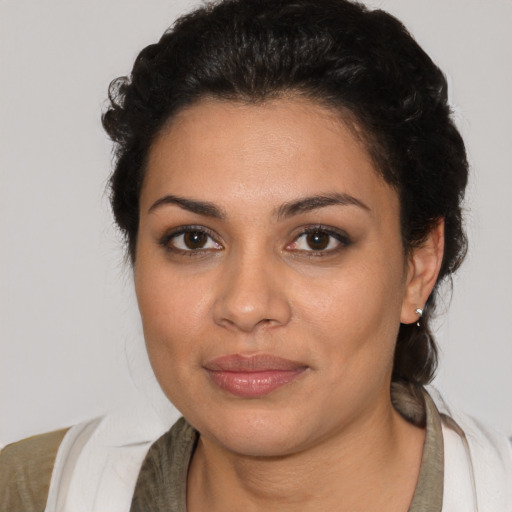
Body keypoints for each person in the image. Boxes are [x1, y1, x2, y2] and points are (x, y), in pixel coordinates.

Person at [1, 0, 511, 510]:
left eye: (316, 239)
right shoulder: (28, 494)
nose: (245, 306)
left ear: (418, 268)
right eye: (194, 239)